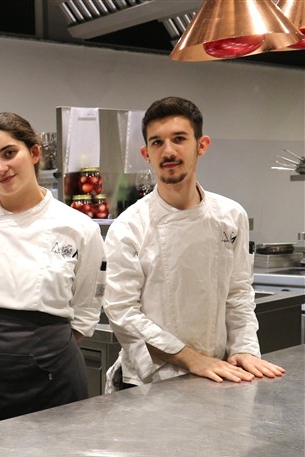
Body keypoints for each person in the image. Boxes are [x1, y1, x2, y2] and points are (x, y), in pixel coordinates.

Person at [103, 96, 285, 388]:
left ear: (202, 145)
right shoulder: (130, 226)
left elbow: (238, 293)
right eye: (157, 142)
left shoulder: (230, 215)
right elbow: (122, 312)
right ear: (146, 153)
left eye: (179, 139)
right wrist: (190, 358)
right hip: (151, 381)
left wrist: (244, 348)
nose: (168, 151)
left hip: (217, 373)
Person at [0, 112, 105, 430]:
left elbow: (86, 307)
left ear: (34, 153)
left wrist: (44, 347)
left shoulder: (78, 227)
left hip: (53, 372)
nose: (0, 168)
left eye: (9, 153)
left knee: (58, 455)